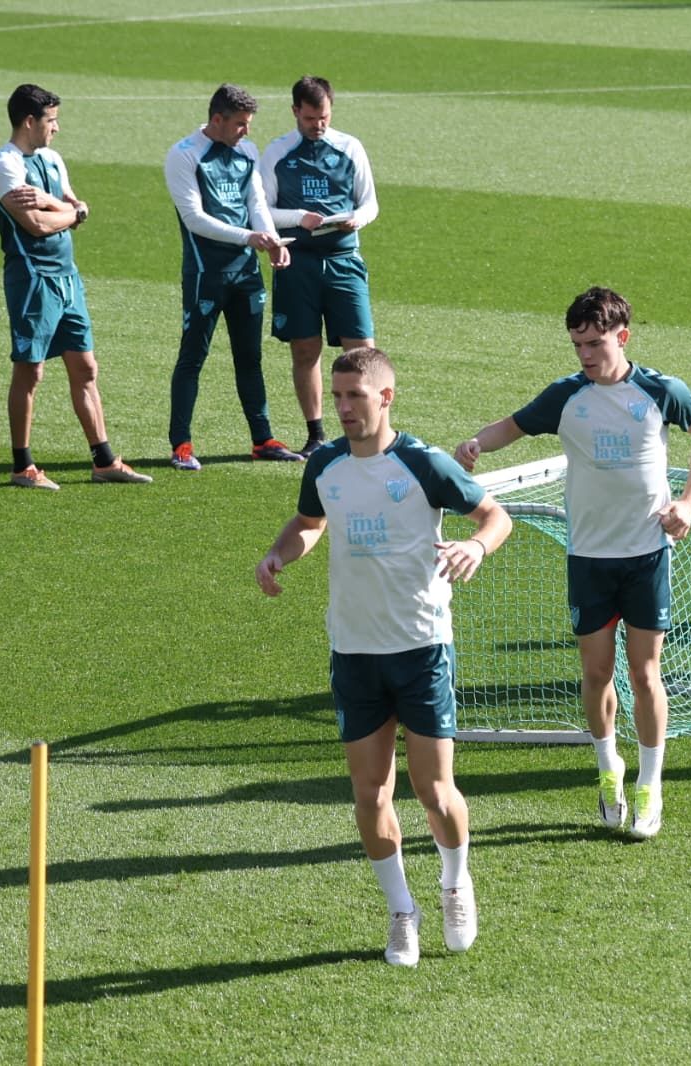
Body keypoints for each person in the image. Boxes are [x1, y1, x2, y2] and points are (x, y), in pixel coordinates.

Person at [256, 346, 511, 968]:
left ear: (386, 397)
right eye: (337, 396)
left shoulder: (423, 463)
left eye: (355, 396)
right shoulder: (326, 463)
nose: (343, 407)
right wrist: (279, 553)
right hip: (354, 649)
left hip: (421, 646)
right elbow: (310, 522)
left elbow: (494, 517)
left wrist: (476, 547)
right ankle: (402, 912)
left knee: (434, 791)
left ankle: (455, 883)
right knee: (370, 795)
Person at [455, 287, 691, 839]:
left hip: (646, 555)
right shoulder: (566, 395)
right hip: (588, 559)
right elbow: (513, 425)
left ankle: (650, 783)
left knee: (645, 674)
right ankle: (608, 767)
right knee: (597, 673)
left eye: (595, 343)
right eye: (577, 344)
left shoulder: (660, 391)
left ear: (623, 337)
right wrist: (477, 443)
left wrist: (689, 501)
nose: (585, 355)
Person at [0, 84, 150, 489]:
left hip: (68, 278)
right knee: (30, 370)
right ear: (28, 121)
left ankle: (104, 461)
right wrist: (71, 212)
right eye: (51, 120)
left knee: (85, 368)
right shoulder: (6, 164)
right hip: (33, 280)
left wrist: (59, 206)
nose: (57, 128)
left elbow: (73, 205)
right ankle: (22, 466)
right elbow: (36, 224)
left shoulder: (52, 159)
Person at [165, 83, 301, 471]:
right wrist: (249, 237)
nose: (246, 130)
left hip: (246, 273)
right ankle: (181, 445)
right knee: (193, 358)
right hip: (206, 274)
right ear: (217, 119)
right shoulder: (184, 155)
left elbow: (256, 202)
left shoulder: (247, 151)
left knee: (250, 358)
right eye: (240, 123)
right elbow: (194, 218)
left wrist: (271, 240)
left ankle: (263, 440)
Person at [261, 75, 379, 458]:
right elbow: (262, 210)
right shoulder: (278, 152)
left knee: (363, 351)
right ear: (295, 111)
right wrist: (300, 217)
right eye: (310, 118)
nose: (318, 125)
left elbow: (370, 203)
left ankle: (371, 433)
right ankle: (316, 436)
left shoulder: (350, 147)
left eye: (324, 117)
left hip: (344, 259)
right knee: (304, 348)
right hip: (298, 262)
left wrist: (357, 219)